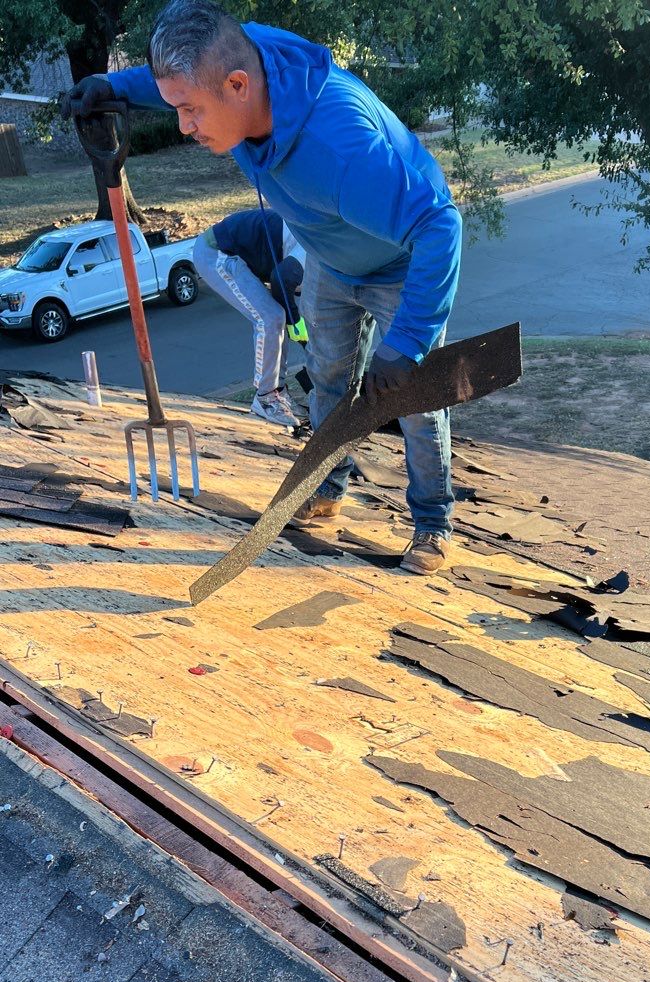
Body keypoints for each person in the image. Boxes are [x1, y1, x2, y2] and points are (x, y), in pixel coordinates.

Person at [64, 0, 463, 574]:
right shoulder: (235, 58)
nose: (183, 125)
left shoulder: (342, 148)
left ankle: (433, 523)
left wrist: (409, 340)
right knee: (328, 380)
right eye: (178, 107)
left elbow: (441, 227)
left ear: (237, 86)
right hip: (329, 260)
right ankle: (327, 487)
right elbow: (186, 78)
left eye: (191, 110)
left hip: (401, 267)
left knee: (418, 402)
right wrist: (114, 87)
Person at [193, 207, 305, 431]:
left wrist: (301, 332)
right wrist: (299, 331)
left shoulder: (324, 249)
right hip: (217, 252)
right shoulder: (312, 251)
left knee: (279, 316)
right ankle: (266, 398)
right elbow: (280, 280)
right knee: (270, 318)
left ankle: (278, 391)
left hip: (246, 255)